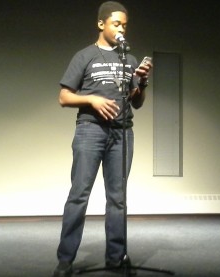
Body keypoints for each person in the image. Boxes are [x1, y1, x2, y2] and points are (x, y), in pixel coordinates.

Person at [53, 1, 152, 276]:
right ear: (101, 24)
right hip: (90, 131)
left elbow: (138, 103)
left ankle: (116, 257)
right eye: (116, 23)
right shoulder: (85, 56)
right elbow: (64, 97)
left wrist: (141, 82)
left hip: (122, 133)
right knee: (79, 195)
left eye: (124, 25)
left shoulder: (128, 60)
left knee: (118, 198)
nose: (121, 29)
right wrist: (92, 100)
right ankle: (65, 260)